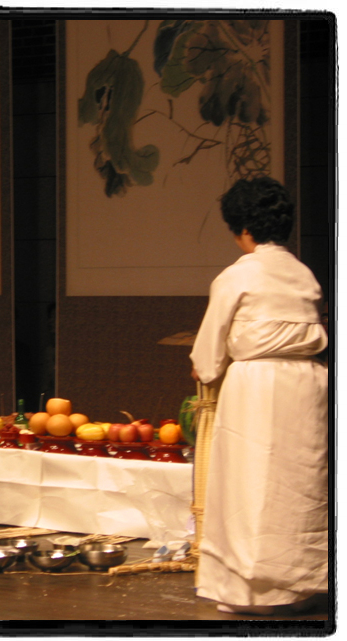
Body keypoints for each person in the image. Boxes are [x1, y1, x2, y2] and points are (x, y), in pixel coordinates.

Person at [190, 176, 328, 615]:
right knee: (300, 485)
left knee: (252, 485)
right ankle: (305, 584)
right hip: (308, 384)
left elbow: (208, 355)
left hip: (256, 387)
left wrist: (205, 367)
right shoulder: (304, 274)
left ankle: (255, 591)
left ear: (243, 228)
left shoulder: (238, 275)